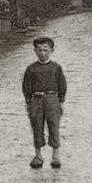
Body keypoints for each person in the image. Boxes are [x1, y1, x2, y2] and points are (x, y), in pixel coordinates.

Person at [22, 36, 67, 169]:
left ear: (51, 50)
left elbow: (62, 85)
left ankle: (56, 155)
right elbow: (26, 87)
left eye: (45, 50)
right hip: (37, 100)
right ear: (35, 51)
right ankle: (38, 155)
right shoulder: (31, 69)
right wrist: (29, 102)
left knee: (54, 126)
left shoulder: (56, 68)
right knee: (37, 126)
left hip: (52, 99)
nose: (42, 53)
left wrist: (61, 101)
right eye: (39, 50)